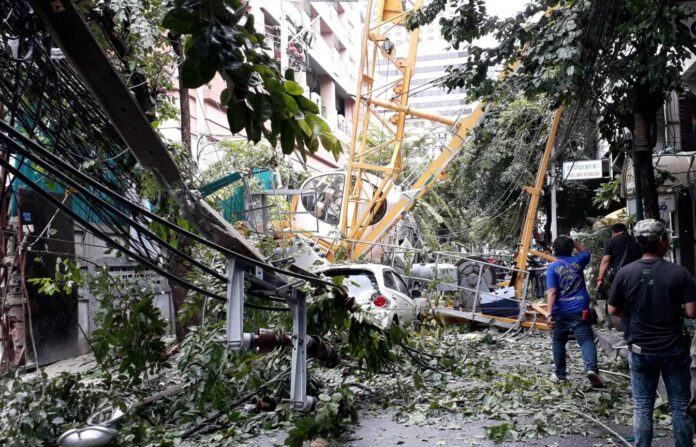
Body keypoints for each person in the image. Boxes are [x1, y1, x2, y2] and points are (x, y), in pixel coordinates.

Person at [608, 219, 696, 447]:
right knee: (679, 406)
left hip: (640, 350)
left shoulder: (625, 273)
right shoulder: (680, 273)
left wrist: (635, 311)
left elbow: (613, 310)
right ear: (662, 241)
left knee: (642, 406)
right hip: (674, 349)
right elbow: (692, 312)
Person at [546, 235, 604, 387]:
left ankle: (560, 375)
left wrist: (549, 313)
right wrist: (573, 241)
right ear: (571, 248)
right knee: (586, 341)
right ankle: (591, 369)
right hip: (580, 310)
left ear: (555, 250)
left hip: (560, 312)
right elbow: (585, 251)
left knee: (558, 342)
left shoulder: (552, 267)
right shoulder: (579, 261)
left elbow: (552, 292)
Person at [597, 223, 642, 341]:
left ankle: (628, 337)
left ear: (613, 232)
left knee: (623, 308)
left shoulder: (612, 241)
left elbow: (606, 261)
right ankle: (640, 334)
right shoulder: (636, 239)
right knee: (638, 305)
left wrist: (600, 279)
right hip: (639, 276)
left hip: (621, 278)